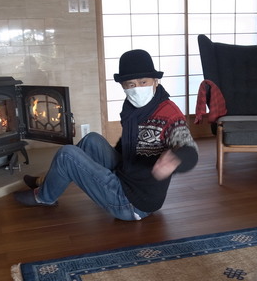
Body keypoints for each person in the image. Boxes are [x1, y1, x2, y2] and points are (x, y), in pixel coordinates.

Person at [13, 49, 198, 221]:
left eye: (143, 82)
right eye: (131, 84)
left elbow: (189, 150)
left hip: (133, 202)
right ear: (124, 86)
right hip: (126, 176)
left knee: (67, 154)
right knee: (91, 140)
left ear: (155, 81)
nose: (137, 89)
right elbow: (128, 144)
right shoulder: (132, 105)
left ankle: (44, 196)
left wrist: (175, 158)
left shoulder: (169, 114)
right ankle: (49, 183)